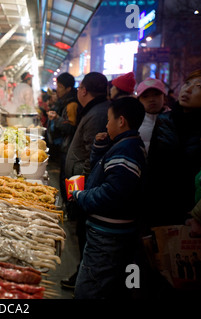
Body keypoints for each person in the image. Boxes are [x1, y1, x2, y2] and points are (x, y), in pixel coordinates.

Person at [71, 96, 147, 299]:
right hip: (108, 232)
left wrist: (80, 196)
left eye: (108, 120)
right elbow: (103, 171)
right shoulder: (125, 144)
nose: (106, 124)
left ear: (121, 121)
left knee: (89, 289)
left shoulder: (126, 150)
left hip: (108, 236)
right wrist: (99, 148)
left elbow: (111, 194)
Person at [61, 72, 110, 290]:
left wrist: (80, 191)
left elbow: (93, 156)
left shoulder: (97, 113)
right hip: (79, 180)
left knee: (84, 230)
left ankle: (85, 280)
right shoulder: (94, 109)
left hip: (83, 183)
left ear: (83, 90)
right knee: (81, 228)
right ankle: (82, 275)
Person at [146, 69, 201, 228]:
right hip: (160, 207)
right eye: (187, 83)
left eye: (198, 86)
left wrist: (199, 216)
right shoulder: (164, 120)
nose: (187, 89)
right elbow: (152, 164)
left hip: (195, 215)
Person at [46, 72, 80, 206]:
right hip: (65, 147)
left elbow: (72, 127)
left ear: (68, 89)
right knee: (63, 178)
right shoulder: (64, 102)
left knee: (66, 178)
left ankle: (69, 209)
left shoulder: (71, 105)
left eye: (60, 86)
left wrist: (57, 119)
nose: (57, 89)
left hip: (69, 148)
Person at [136, 77, 170, 153]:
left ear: (164, 98)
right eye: (145, 96)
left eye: (156, 94)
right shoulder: (134, 121)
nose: (151, 99)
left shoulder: (174, 119)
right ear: (139, 101)